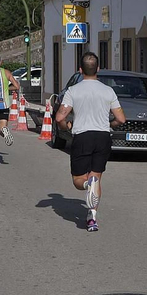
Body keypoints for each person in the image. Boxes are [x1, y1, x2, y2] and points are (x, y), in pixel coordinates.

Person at [53, 51, 124, 232]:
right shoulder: (108, 91)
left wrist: (66, 126)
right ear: (98, 69)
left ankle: (87, 185)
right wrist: (110, 124)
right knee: (96, 177)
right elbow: (121, 119)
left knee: (78, 180)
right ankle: (92, 218)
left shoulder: (73, 91)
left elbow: (59, 116)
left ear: (80, 70)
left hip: (82, 136)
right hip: (102, 136)